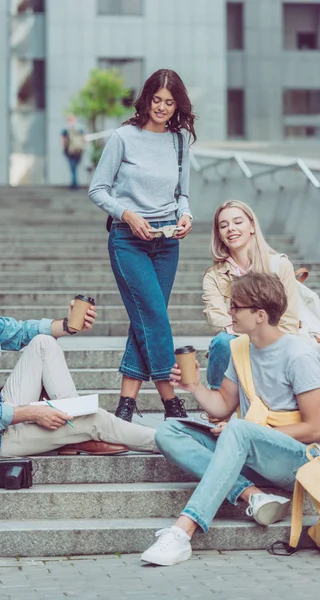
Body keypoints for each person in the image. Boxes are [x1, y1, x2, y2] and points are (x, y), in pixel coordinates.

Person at [0, 254, 157, 484]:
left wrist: (67, 325)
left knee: (43, 342)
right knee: (95, 420)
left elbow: (21, 331)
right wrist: (32, 413)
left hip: (1, 412)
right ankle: (163, 441)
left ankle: (72, 422)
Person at [141, 272, 320, 566]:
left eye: (236, 306)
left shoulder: (300, 354)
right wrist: (195, 386)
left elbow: (315, 428)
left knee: (238, 429)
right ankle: (253, 495)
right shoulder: (241, 348)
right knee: (168, 431)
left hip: (298, 461)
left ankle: (183, 531)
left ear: (260, 314)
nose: (230, 312)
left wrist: (252, 430)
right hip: (252, 450)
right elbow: (223, 405)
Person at [88, 69, 196, 422]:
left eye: (169, 102)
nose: (162, 108)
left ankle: (126, 405)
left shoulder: (180, 141)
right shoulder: (123, 138)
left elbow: (182, 194)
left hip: (167, 242)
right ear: (146, 99)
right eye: (157, 100)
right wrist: (129, 215)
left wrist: (186, 216)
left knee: (147, 319)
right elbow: (98, 189)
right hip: (128, 239)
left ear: (177, 105)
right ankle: (171, 402)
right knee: (153, 315)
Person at [203, 200, 299, 391]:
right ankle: (218, 405)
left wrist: (257, 335)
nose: (231, 229)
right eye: (224, 225)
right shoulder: (213, 275)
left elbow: (289, 321)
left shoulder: (279, 265)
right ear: (220, 234)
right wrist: (251, 332)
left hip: (275, 342)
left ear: (252, 226)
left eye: (238, 222)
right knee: (223, 342)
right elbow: (216, 318)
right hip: (237, 341)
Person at [61, 114, 85, 189]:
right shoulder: (80, 128)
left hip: (69, 151)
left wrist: (66, 148)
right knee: (75, 168)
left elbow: (63, 140)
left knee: (73, 168)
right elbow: (84, 139)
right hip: (79, 150)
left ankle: (74, 184)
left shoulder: (65, 129)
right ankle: (74, 183)